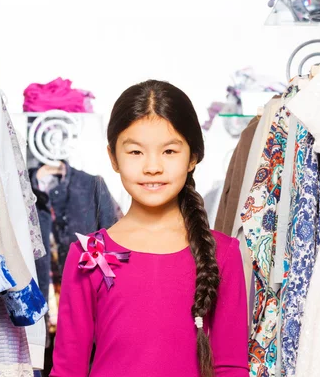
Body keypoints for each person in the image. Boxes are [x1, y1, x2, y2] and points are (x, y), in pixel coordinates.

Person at [51, 80, 249, 377]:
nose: (152, 167)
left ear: (193, 157)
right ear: (113, 158)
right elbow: (68, 370)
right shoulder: (87, 255)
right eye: (135, 152)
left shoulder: (224, 253)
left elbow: (231, 367)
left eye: (169, 151)